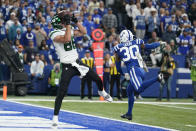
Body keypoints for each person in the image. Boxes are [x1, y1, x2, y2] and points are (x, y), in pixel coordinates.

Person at [49, 10, 112, 126]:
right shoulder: (53, 33)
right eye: (64, 21)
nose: (64, 23)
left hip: (77, 63)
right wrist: (68, 25)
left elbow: (84, 31)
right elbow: (67, 39)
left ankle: (101, 91)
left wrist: (76, 22)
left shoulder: (68, 28)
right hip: (67, 66)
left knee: (97, 79)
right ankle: (55, 117)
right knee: (61, 93)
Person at [113, 29, 165, 120]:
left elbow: (117, 66)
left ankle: (157, 78)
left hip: (133, 70)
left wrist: (122, 73)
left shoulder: (118, 48)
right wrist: (159, 43)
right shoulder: (137, 42)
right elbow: (148, 46)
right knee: (130, 90)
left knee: (139, 89)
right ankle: (129, 113)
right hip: (141, 70)